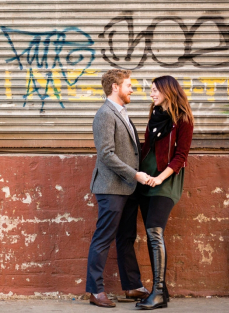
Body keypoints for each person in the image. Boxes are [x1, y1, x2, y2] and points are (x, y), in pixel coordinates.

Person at [86, 69, 151, 308]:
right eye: (129, 84)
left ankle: (133, 286)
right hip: (112, 187)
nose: (132, 89)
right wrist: (134, 174)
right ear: (115, 87)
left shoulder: (122, 113)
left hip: (128, 187)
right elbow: (106, 154)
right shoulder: (105, 114)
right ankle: (95, 290)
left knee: (126, 237)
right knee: (104, 237)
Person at [135, 76, 194, 310]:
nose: (151, 94)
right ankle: (162, 292)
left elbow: (181, 156)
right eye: (151, 90)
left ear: (168, 91)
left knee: (155, 230)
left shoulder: (184, 119)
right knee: (152, 234)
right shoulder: (155, 116)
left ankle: (158, 292)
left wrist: (160, 177)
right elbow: (147, 148)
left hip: (166, 181)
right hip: (146, 180)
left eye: (155, 90)